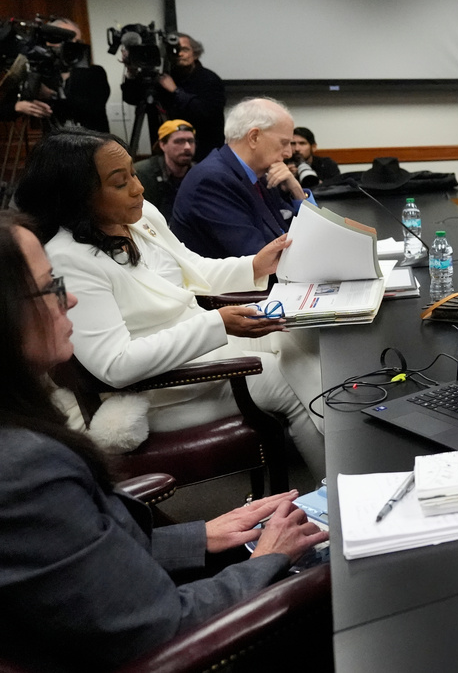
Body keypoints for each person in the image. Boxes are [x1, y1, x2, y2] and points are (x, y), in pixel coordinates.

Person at [0, 210, 328, 671]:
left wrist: (199, 535)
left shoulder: (22, 435)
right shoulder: (26, 470)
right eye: (51, 287)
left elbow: (71, 565)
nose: (69, 299)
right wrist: (268, 562)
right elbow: (161, 629)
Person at [14, 128, 326, 478]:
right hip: (158, 388)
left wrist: (254, 264)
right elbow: (115, 365)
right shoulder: (69, 258)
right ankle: (337, 497)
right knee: (286, 377)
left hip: (199, 352)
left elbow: (189, 266)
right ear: (77, 196)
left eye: (134, 172)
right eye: (120, 183)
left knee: (306, 339)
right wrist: (216, 324)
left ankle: (345, 474)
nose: (139, 187)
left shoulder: (140, 216)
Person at [171, 97, 315, 259]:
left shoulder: (261, 175)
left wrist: (296, 191)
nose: (289, 153)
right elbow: (259, 258)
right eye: (284, 143)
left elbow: (306, 233)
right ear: (254, 137)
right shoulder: (212, 181)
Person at [122, 32, 225, 161]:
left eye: (185, 50)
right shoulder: (165, 78)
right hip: (170, 154)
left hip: (204, 153)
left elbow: (206, 113)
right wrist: (131, 72)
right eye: (174, 50)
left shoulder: (209, 79)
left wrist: (175, 91)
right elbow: (132, 98)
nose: (179, 54)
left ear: (195, 53)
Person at [134, 118, 196, 219]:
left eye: (191, 141)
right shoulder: (143, 174)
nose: (187, 147)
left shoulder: (200, 174)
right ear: (162, 145)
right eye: (179, 141)